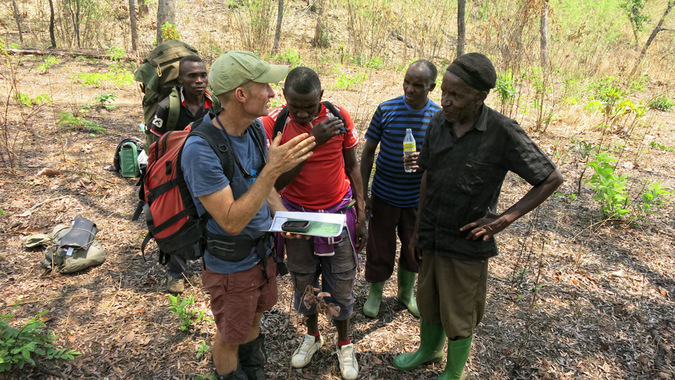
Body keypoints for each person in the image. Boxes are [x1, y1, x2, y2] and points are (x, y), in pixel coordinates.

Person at [393, 53, 563, 379]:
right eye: (443, 92)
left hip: (467, 242)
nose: (445, 101)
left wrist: (503, 220)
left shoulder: (502, 131)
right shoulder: (437, 123)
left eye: (456, 96)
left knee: (458, 312)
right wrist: (417, 231)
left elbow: (550, 178)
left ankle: (453, 372)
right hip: (431, 233)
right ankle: (429, 350)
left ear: (480, 96)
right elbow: (426, 173)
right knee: (429, 301)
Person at [180, 51, 315, 380]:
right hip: (230, 267)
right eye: (265, 86)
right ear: (241, 95)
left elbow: (263, 187)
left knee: (252, 322)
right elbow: (230, 220)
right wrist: (273, 169)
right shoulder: (201, 149)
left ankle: (253, 373)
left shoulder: (254, 129)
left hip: (260, 256)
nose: (272, 93)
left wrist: (286, 220)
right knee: (230, 337)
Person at [260, 67, 367, 380]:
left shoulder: (338, 117)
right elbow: (275, 183)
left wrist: (362, 213)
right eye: (296, 107)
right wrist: (312, 142)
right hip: (297, 216)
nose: (303, 112)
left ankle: (344, 342)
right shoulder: (274, 124)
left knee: (342, 282)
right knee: (304, 279)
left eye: (309, 105)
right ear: (285, 99)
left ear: (321, 96)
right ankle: (312, 335)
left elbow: (352, 165)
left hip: (337, 213)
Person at [360, 60, 441, 318]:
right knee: (379, 247)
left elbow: (443, 159)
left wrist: (425, 161)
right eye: (407, 82)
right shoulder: (386, 110)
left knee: (412, 248)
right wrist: (364, 194)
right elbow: (368, 152)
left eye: (418, 85)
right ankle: (375, 295)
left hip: (417, 200)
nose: (410, 88)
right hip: (384, 195)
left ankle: (406, 294)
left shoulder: (437, 118)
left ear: (431, 87)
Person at [146, 54, 220, 294]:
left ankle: (212, 266)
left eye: (203, 75)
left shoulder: (215, 104)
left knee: (212, 215)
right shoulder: (168, 107)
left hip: (207, 169)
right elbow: (155, 147)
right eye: (192, 76)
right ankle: (175, 273)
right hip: (175, 175)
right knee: (177, 218)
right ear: (181, 80)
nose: (199, 80)